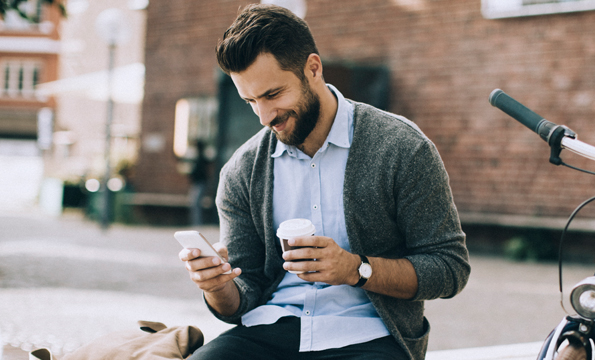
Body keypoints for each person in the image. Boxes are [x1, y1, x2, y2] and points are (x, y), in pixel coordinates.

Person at [179, 4, 470, 360]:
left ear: (313, 68)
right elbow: (243, 294)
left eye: (272, 95)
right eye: (250, 101)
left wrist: (356, 269)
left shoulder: (401, 148)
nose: (264, 116)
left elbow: (449, 268)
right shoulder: (242, 170)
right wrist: (217, 287)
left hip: (369, 334)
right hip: (269, 330)